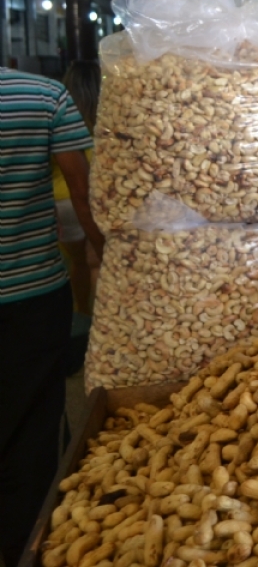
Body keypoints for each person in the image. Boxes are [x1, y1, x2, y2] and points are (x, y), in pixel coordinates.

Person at [0, 67, 105, 567]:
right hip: (32, 296)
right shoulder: (42, 96)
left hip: (36, 296)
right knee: (33, 426)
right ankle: (26, 546)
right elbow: (84, 198)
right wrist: (109, 256)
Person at [53, 59, 102, 314]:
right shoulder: (109, 120)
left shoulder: (61, 114)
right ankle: (98, 324)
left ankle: (80, 310)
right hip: (96, 200)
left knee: (77, 262)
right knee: (96, 262)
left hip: (62, 202)